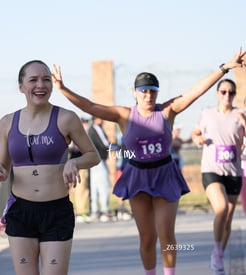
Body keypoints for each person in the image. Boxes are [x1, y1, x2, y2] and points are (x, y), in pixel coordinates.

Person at [52, 50, 246, 275]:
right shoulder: (124, 115)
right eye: (143, 91)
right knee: (146, 238)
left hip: (164, 175)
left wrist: (224, 68)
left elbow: (196, 91)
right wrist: (63, 89)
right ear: (135, 92)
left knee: (167, 236)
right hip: (138, 177)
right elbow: (90, 106)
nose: (148, 96)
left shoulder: (167, 110)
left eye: (152, 91)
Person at [0, 60, 99, 275]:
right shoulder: (7, 123)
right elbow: (2, 163)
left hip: (56, 211)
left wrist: (74, 162)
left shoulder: (66, 118)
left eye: (46, 80)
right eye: (33, 80)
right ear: (21, 86)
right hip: (21, 211)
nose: (41, 85)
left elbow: (93, 155)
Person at [192, 78, 246, 274]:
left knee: (228, 218)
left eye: (231, 92)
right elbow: (196, 131)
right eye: (223, 92)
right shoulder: (207, 114)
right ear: (217, 93)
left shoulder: (241, 114)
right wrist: (197, 137)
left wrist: (244, 122)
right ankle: (216, 250)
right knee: (221, 208)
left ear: (235, 95)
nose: (227, 96)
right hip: (211, 169)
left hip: (233, 172)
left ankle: (219, 256)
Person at [87, 116, 112, 222]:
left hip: (94, 161)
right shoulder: (96, 129)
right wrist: (114, 146)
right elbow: (105, 144)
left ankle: (95, 210)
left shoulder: (91, 129)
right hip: (99, 160)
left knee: (95, 187)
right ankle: (104, 210)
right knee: (103, 185)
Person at [68, 117, 91, 223]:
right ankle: (80, 212)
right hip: (76, 163)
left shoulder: (81, 134)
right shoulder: (75, 134)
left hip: (81, 163)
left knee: (83, 189)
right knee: (79, 189)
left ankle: (83, 211)